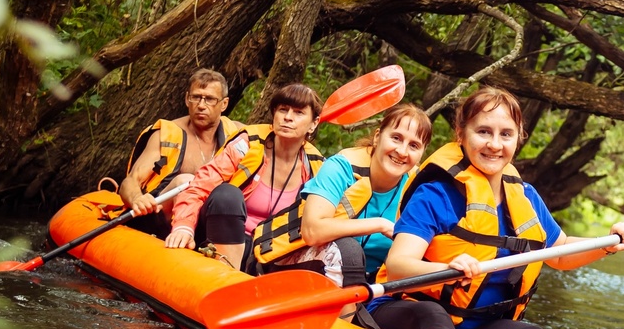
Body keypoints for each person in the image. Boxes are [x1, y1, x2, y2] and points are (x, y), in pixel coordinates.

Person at [367, 87, 624, 329]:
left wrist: (607, 243)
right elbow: (397, 267)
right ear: (461, 134)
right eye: (483, 132)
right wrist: (448, 267)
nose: (495, 145)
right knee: (432, 316)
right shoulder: (435, 194)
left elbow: (559, 254)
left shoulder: (526, 197)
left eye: (505, 134)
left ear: (518, 138)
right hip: (411, 314)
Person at [251, 104, 432, 287]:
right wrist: (379, 225)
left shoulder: (419, 187)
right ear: (377, 137)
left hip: (370, 282)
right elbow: (312, 231)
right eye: (396, 138)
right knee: (348, 252)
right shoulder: (341, 167)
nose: (402, 151)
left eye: (414, 146)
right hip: (295, 260)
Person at [164, 83, 325, 272]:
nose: (288, 117)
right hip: (220, 235)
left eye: (298, 112)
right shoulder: (247, 145)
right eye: (283, 109)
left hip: (270, 251)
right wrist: (184, 226)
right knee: (227, 195)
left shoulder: (317, 167)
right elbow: (200, 186)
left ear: (313, 124)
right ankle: (223, 274)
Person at [120, 68, 242, 237]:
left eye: (210, 99)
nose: (201, 105)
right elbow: (130, 181)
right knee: (185, 181)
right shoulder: (165, 134)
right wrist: (137, 199)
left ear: (224, 104)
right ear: (187, 99)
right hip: (160, 217)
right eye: (196, 97)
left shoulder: (238, 134)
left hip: (208, 218)